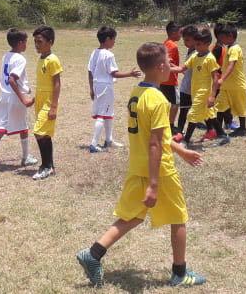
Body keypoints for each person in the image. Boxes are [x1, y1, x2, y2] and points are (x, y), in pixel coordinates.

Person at [76, 42, 207, 288]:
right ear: (160, 67)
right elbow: (156, 143)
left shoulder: (137, 92)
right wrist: (154, 184)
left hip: (137, 165)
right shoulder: (158, 100)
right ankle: (180, 273)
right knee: (178, 217)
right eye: (168, 62)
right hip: (159, 170)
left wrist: (182, 151)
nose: (171, 65)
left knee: (133, 216)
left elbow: (157, 137)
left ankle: (92, 254)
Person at [0, 28, 38, 172]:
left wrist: (25, 87)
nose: (26, 45)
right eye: (25, 42)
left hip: (4, 96)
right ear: (19, 43)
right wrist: (23, 98)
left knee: (4, 127)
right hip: (14, 98)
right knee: (22, 127)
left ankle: (23, 156)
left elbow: (12, 79)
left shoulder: (6, 55)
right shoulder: (20, 59)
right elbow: (12, 80)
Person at [87, 26, 142, 153]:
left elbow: (90, 72)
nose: (114, 42)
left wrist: (91, 88)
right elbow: (114, 74)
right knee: (102, 114)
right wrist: (130, 74)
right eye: (113, 39)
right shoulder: (109, 55)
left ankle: (108, 140)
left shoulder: (94, 52)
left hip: (97, 85)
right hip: (105, 87)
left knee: (108, 113)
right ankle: (94, 144)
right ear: (107, 39)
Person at [173, 26, 228, 147]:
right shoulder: (194, 56)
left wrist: (212, 96)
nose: (196, 47)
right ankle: (223, 135)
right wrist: (167, 68)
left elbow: (215, 78)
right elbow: (182, 68)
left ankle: (186, 141)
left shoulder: (210, 59)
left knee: (192, 115)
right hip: (195, 91)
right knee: (209, 114)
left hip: (204, 92)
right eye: (195, 44)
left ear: (207, 44)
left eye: (198, 44)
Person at [31, 25, 63, 180]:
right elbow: (42, 82)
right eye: (35, 42)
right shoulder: (41, 59)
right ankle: (48, 166)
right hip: (40, 99)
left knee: (38, 131)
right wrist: (34, 99)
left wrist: (54, 107)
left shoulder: (53, 60)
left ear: (50, 42)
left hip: (49, 101)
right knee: (44, 135)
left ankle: (46, 166)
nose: (37, 45)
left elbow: (57, 83)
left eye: (40, 41)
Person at [215, 24, 246, 137]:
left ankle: (243, 129)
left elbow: (231, 65)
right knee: (220, 106)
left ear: (230, 36)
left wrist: (221, 79)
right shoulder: (229, 47)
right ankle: (218, 130)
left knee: (240, 106)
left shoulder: (235, 49)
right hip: (226, 85)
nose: (221, 40)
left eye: (222, 37)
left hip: (236, 85)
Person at [161, 21, 183, 135]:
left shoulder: (165, 43)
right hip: (170, 80)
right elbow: (167, 63)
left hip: (163, 79)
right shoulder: (173, 46)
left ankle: (165, 124)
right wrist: (181, 69)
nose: (181, 35)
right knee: (176, 103)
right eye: (180, 32)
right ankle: (170, 125)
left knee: (166, 103)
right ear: (173, 33)